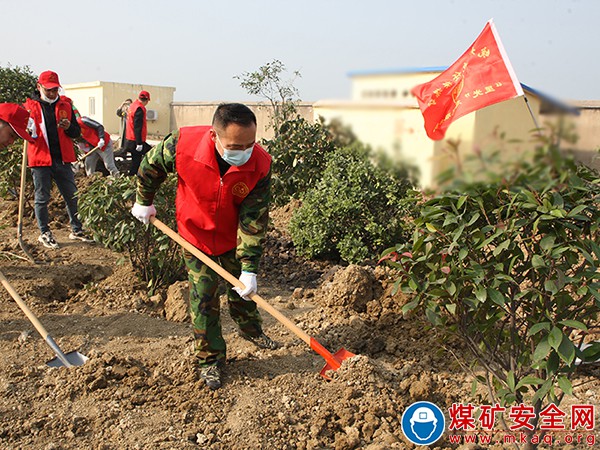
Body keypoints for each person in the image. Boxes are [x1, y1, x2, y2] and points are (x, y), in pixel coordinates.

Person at [131, 103, 277, 390]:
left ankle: (252, 330)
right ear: (214, 136)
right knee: (204, 299)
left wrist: (249, 268)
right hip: (194, 236)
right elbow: (151, 166)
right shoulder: (182, 144)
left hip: (232, 239)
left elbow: (253, 219)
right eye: (236, 146)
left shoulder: (259, 165)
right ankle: (210, 360)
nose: (244, 152)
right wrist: (143, 200)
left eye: (250, 144)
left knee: (244, 293)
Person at [23, 70, 92, 249]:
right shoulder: (29, 107)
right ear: (39, 87)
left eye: (55, 90)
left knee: (72, 195)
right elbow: (21, 131)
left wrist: (69, 127)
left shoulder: (66, 106)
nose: (53, 93)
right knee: (42, 198)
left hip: (62, 159)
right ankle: (44, 232)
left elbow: (77, 132)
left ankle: (77, 230)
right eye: (48, 90)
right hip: (40, 160)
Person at [74, 110, 120, 177]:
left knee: (109, 165)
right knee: (88, 163)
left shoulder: (83, 121)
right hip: (93, 147)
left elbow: (99, 126)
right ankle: (90, 180)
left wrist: (101, 139)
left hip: (104, 144)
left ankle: (117, 177)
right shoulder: (74, 130)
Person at [124, 91, 151, 176]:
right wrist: (139, 143)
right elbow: (137, 127)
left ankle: (134, 176)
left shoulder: (132, 106)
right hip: (136, 140)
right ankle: (135, 176)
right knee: (148, 155)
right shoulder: (139, 108)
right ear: (146, 100)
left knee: (136, 161)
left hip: (129, 138)